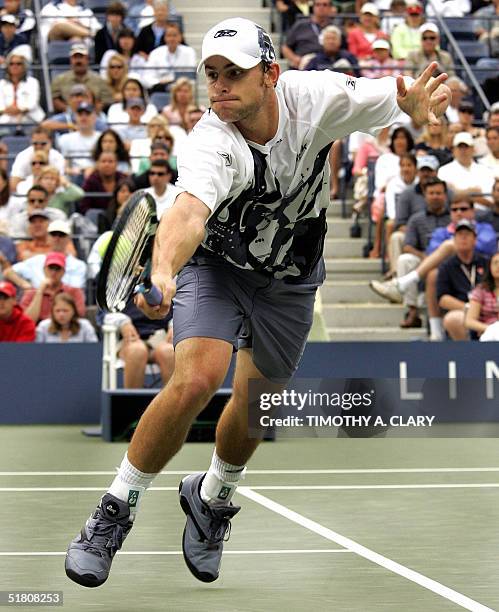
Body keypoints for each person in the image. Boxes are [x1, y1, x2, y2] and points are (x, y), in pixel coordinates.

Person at [65, 16, 451, 588]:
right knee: (197, 378)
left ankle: (212, 497)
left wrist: (416, 114)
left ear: (271, 73)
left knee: (252, 403)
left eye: (234, 74)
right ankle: (114, 509)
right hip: (216, 264)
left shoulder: (318, 97)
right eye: (212, 75)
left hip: (291, 272)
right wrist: (165, 271)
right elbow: (189, 212)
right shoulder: (210, 141)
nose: (219, 87)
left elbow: (400, 103)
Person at [437, 219, 488, 340]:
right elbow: (443, 299)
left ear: (475, 240)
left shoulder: (486, 262)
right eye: (460, 235)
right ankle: (469, 354)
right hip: (463, 309)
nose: (463, 238)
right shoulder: (446, 266)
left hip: (488, 309)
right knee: (453, 319)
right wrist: (468, 308)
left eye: (467, 235)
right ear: (454, 240)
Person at [4, 219, 87, 289]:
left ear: (68, 238)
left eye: (61, 235)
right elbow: (8, 272)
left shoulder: (79, 265)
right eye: (53, 234)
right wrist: (25, 285)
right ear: (48, 237)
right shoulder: (36, 260)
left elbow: (75, 288)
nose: (57, 238)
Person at [20, 251, 86, 324]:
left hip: (66, 330)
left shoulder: (74, 291)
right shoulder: (31, 293)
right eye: (51, 268)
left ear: (63, 271)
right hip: (38, 332)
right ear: (44, 270)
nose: (53, 272)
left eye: (57, 269)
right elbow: (27, 322)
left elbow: (79, 315)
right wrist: (40, 292)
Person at [50, 43, 113, 114]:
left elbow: (107, 99)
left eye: (81, 57)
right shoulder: (60, 79)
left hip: (93, 114)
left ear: (87, 59)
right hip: (67, 115)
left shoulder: (99, 79)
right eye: (75, 57)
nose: (78, 61)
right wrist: (67, 109)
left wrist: (96, 109)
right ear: (71, 59)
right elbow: (54, 98)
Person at [281, 0, 336, 69]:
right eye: (318, 4)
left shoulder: (334, 28)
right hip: (305, 63)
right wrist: (295, 59)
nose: (321, 7)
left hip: (327, 64)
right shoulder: (301, 25)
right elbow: (285, 47)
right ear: (313, 7)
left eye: (325, 5)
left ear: (330, 8)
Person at [144, 21, 196, 91]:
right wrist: (159, 83)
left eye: (174, 35)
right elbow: (147, 77)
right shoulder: (155, 53)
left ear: (180, 37)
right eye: (169, 35)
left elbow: (191, 76)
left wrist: (172, 81)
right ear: (165, 38)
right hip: (161, 89)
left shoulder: (189, 52)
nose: (172, 39)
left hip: (182, 89)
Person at [58, 102, 102, 181]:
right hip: (74, 177)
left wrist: (92, 169)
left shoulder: (102, 138)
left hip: (98, 175)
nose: (83, 117)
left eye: (87, 114)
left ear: (95, 117)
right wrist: (73, 171)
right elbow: (64, 166)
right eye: (80, 114)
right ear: (75, 117)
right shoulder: (65, 139)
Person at [0, 52, 44, 125]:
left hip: (30, 117)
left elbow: (33, 103)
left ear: (24, 66)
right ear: (8, 67)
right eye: (11, 64)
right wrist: (7, 110)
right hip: (6, 116)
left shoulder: (33, 82)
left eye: (18, 64)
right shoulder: (1, 83)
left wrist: (19, 110)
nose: (15, 66)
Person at [465, 250, 499, 338]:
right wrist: (491, 329)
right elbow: (469, 321)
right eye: (495, 263)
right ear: (489, 267)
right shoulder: (481, 291)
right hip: (488, 334)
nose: (498, 266)